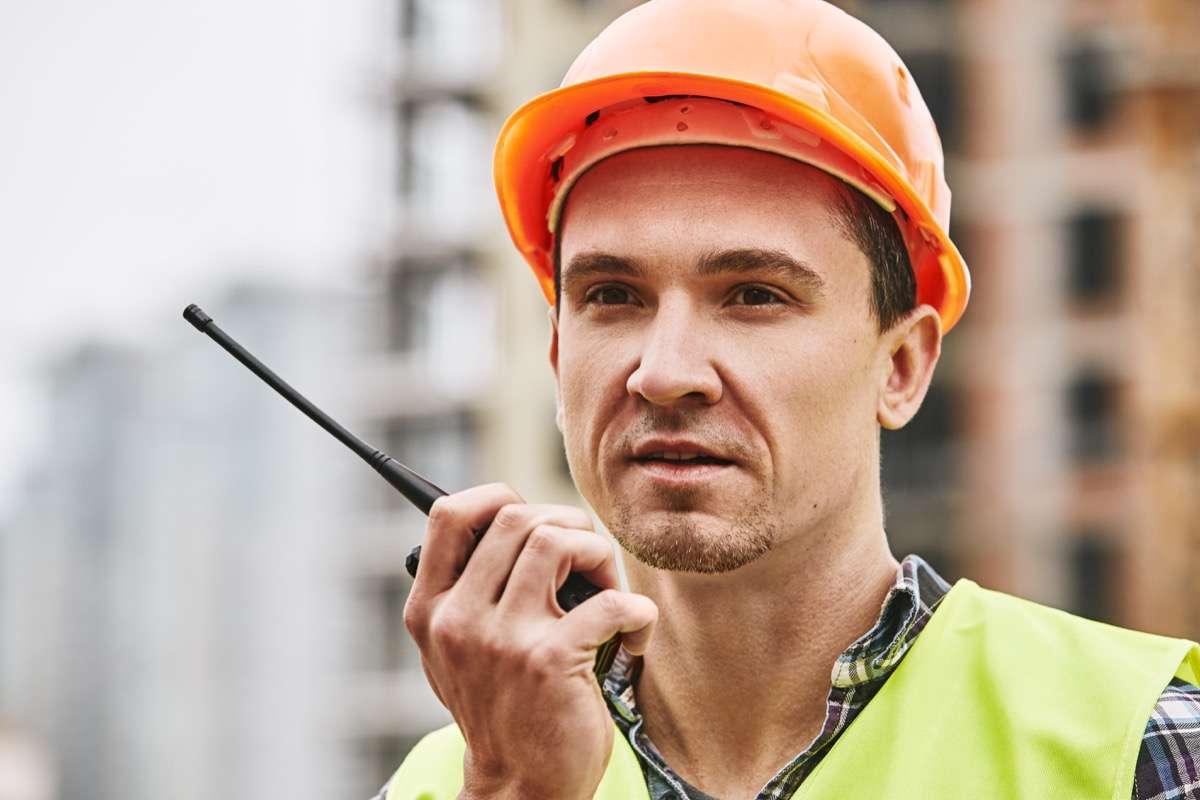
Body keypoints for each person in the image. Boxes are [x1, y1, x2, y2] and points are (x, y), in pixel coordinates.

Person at [376, 1, 1200, 797]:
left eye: (754, 295)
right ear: (558, 356)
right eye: (613, 295)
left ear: (903, 366)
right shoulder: (447, 786)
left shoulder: (1145, 749)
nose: (663, 372)